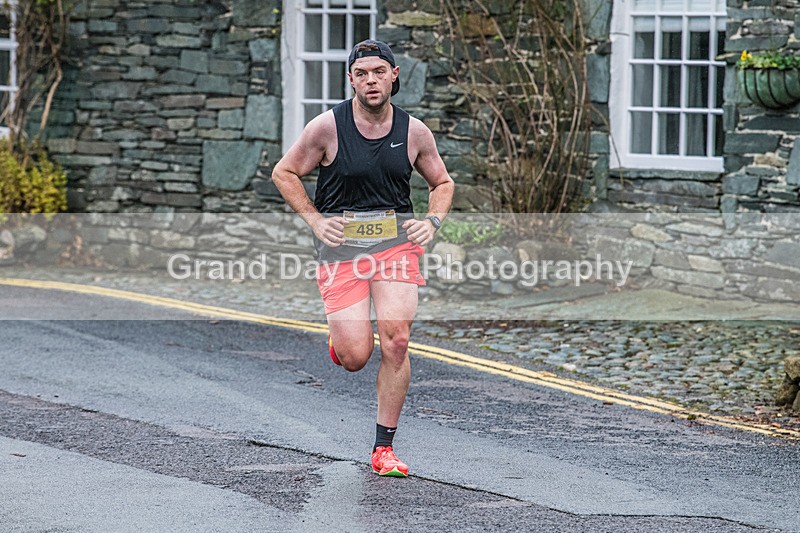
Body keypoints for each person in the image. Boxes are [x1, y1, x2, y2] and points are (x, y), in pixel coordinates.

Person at [272, 39, 454, 477]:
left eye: (378, 71)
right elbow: (285, 172)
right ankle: (342, 344)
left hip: (394, 247)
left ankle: (383, 448)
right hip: (342, 253)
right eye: (361, 74)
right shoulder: (327, 128)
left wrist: (431, 223)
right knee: (356, 356)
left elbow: (442, 183)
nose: (370, 80)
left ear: (394, 75)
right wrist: (316, 222)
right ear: (351, 80)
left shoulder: (414, 132)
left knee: (397, 340)